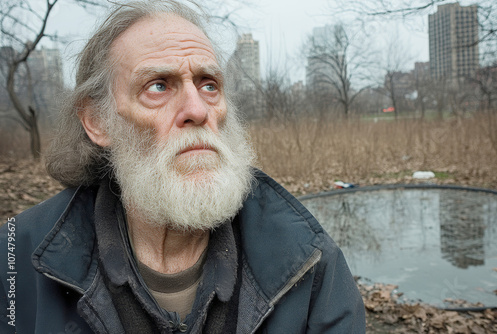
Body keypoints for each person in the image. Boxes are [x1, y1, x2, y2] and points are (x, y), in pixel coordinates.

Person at [0, 1, 365, 333]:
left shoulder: (309, 261)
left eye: (209, 85)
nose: (197, 110)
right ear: (97, 121)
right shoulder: (14, 260)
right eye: (158, 86)